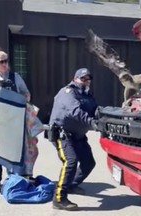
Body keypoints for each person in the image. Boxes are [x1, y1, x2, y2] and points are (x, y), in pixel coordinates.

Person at [0, 46, 31, 190]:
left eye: (6, 61)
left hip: (13, 121)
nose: (4, 64)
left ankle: (13, 176)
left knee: (13, 148)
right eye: (0, 61)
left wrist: (21, 99)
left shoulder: (15, 77)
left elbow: (26, 94)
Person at [49, 68, 99, 211]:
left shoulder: (87, 94)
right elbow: (74, 111)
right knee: (70, 162)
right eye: (83, 79)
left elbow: (95, 109)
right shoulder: (67, 92)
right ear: (75, 79)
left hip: (78, 136)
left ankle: (71, 185)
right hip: (62, 135)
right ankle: (59, 199)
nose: (86, 82)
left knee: (89, 163)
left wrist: (103, 116)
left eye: (88, 79)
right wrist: (92, 123)